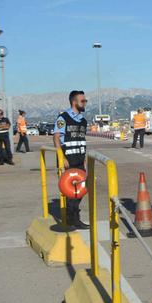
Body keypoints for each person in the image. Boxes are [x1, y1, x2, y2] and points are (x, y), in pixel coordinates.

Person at [53, 90, 89, 230]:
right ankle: (73, 219)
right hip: (68, 160)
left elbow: (81, 140)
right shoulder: (63, 118)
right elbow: (56, 137)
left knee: (81, 189)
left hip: (80, 160)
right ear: (74, 102)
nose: (84, 103)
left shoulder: (83, 121)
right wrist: (62, 158)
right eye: (82, 101)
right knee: (70, 192)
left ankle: (72, 217)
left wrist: (84, 159)